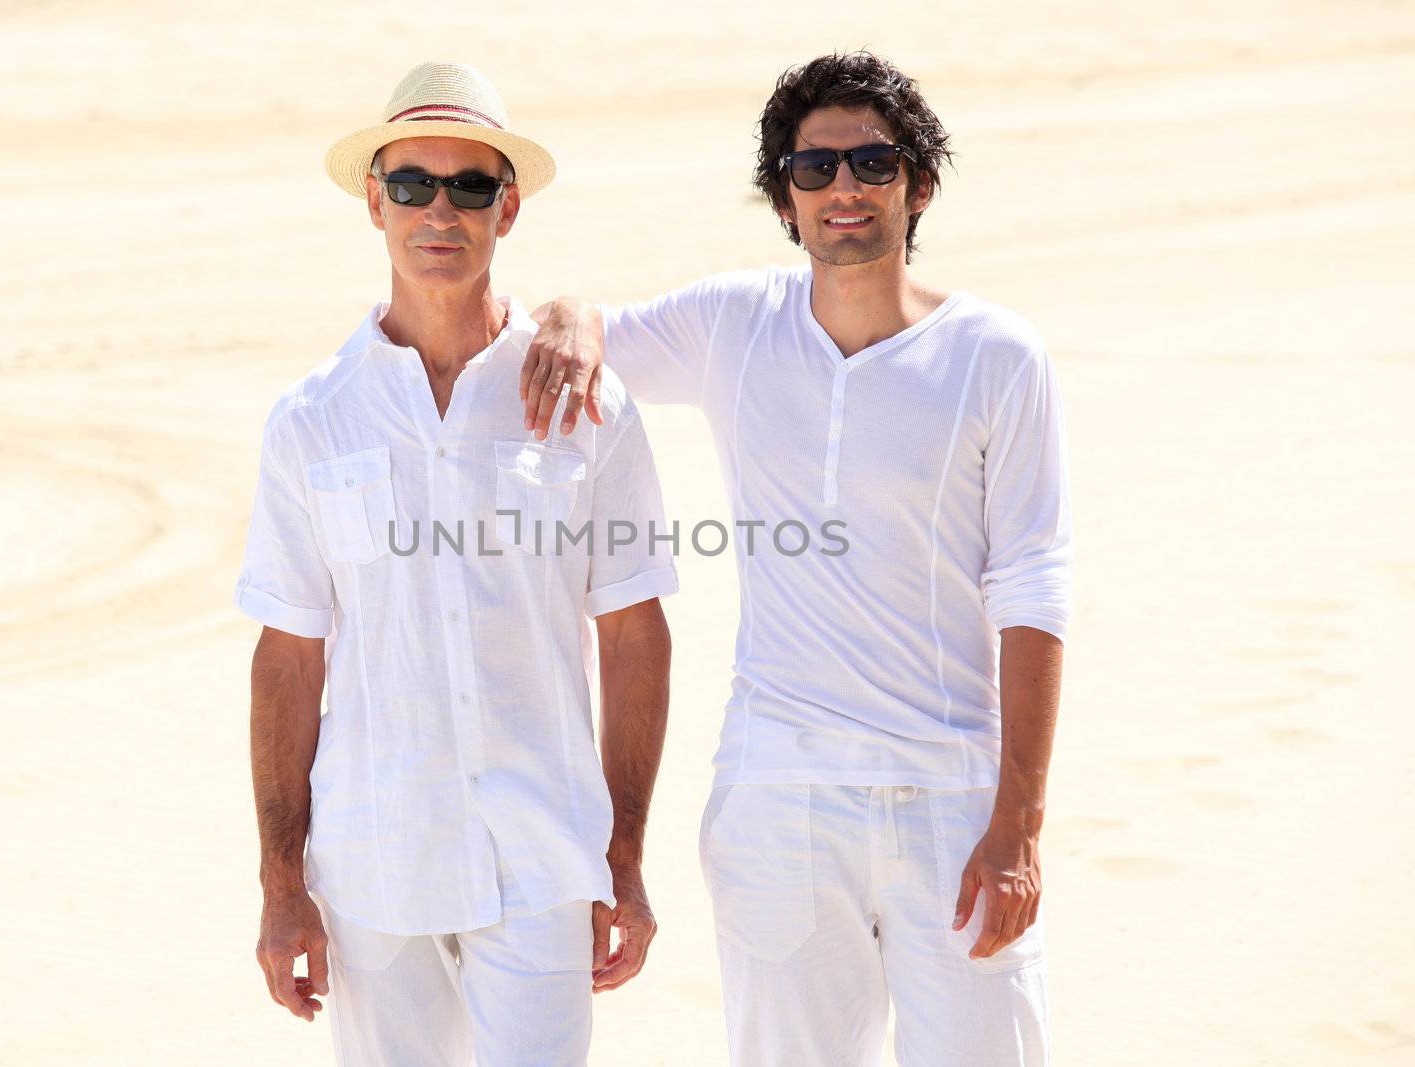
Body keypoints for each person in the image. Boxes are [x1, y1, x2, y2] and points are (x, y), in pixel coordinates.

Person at [523, 51, 1073, 1066]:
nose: (844, 189)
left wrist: (1019, 826)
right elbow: (585, 334)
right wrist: (564, 309)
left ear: (919, 181)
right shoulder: (734, 323)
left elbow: (1033, 587)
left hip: (949, 801)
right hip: (778, 800)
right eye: (812, 170)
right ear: (783, 197)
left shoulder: (997, 355)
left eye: (872, 161)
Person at [233, 61, 677, 1067]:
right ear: (373, 200)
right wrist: (279, 881)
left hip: (544, 862)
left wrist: (626, 855)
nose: (440, 210)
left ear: (506, 208)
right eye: (412, 185)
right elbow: (287, 657)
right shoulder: (312, 419)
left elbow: (635, 636)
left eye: (470, 186)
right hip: (371, 864)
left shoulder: (585, 403)